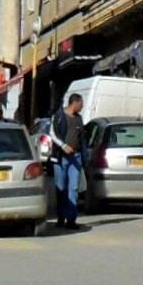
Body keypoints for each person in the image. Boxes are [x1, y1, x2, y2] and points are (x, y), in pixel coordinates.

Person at [51, 92, 87, 230]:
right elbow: (52, 134)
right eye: (81, 104)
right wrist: (63, 146)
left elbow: (82, 139)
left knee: (74, 188)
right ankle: (61, 217)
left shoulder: (79, 119)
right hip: (60, 157)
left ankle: (71, 219)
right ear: (75, 103)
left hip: (75, 157)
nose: (82, 106)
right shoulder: (59, 116)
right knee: (61, 188)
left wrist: (84, 158)